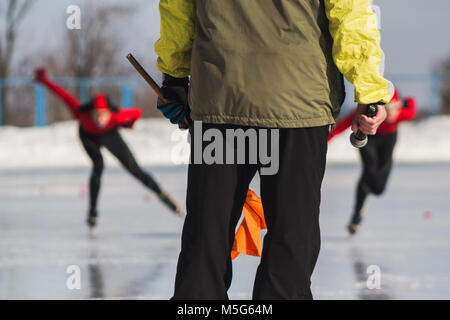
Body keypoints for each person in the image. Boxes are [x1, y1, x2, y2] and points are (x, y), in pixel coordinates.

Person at [155, 0, 393, 299]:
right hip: (298, 104)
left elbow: (179, 8)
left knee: (207, 237)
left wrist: (174, 75)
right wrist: (369, 90)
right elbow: (350, 13)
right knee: (291, 238)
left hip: (221, 99)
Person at [34, 68, 182, 228]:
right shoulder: (80, 113)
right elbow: (62, 94)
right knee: (98, 165)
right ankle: (92, 212)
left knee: (134, 169)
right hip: (88, 136)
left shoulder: (115, 115)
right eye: (96, 115)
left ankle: (163, 196)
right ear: (90, 112)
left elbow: (136, 113)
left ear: (108, 113)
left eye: (102, 115)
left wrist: (128, 124)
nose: (99, 119)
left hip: (110, 134)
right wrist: (44, 80)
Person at [329, 89, 417, 235]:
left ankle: (363, 199)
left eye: (393, 112)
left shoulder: (400, 114)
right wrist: (324, 141)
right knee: (369, 170)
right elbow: (343, 125)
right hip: (369, 137)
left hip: (388, 138)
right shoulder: (370, 113)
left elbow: (412, 106)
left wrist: (398, 109)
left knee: (378, 188)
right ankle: (356, 215)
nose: (390, 116)